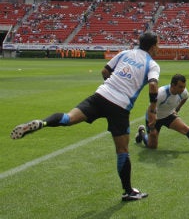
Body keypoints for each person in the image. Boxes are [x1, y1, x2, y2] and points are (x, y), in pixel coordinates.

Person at [10, 31, 161, 202]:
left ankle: (42, 122)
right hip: (120, 107)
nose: (159, 47)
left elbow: (105, 71)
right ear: (152, 46)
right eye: (158, 44)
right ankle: (128, 191)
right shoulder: (152, 64)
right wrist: (153, 108)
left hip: (100, 96)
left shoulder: (125, 53)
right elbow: (153, 86)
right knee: (122, 150)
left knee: (68, 118)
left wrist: (111, 85)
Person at [135, 73, 189, 153]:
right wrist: (152, 128)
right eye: (180, 87)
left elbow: (185, 97)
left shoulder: (183, 92)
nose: (183, 89)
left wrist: (177, 109)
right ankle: (141, 132)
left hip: (168, 115)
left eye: (184, 86)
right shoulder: (161, 93)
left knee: (185, 129)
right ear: (173, 85)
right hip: (154, 117)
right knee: (152, 146)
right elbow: (151, 110)